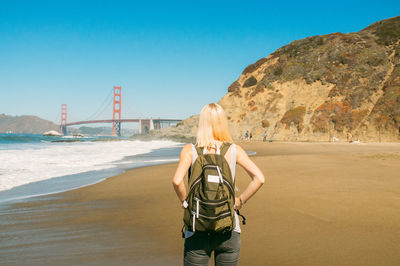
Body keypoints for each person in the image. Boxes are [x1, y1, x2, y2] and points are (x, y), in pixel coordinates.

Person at [172, 103, 265, 266]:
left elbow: (177, 180)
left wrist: (185, 203)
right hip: (228, 228)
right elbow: (259, 178)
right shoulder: (234, 150)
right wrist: (240, 201)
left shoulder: (190, 150)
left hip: (197, 228)